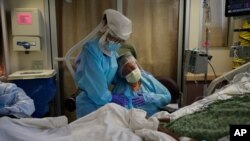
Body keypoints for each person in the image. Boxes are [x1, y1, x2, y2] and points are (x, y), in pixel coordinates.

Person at [74, 9, 132, 118]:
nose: (115, 43)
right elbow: (95, 86)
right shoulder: (91, 49)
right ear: (105, 30)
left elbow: (112, 74)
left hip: (104, 103)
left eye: (119, 41)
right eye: (113, 38)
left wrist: (127, 74)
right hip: (89, 104)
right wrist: (112, 98)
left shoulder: (112, 51)